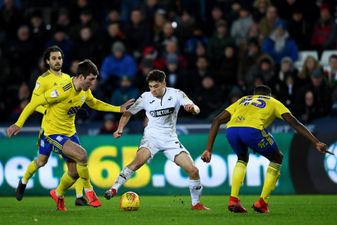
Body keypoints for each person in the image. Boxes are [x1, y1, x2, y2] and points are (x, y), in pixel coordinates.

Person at [7, 59, 134, 211]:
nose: (93, 83)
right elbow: (34, 102)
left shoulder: (85, 91)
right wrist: (18, 123)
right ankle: (89, 191)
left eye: (94, 79)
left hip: (70, 132)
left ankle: (58, 193)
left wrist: (118, 109)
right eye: (90, 79)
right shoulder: (62, 90)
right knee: (79, 156)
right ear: (81, 77)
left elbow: (94, 103)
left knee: (73, 173)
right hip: (52, 133)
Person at [201, 85, 329, 213]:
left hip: (231, 131)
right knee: (277, 157)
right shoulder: (273, 102)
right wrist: (316, 142)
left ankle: (233, 199)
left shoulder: (243, 100)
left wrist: (208, 149)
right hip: (252, 131)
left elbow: (216, 120)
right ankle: (262, 203)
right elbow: (293, 122)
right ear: (269, 95)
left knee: (242, 158)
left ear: (254, 94)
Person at [104, 69, 209, 210]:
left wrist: (193, 109)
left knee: (194, 171)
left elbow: (195, 108)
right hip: (151, 137)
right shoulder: (145, 97)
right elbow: (128, 113)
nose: (153, 90)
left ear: (164, 83)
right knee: (137, 162)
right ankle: (113, 189)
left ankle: (196, 204)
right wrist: (119, 129)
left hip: (170, 139)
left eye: (156, 86)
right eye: (150, 86)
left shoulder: (176, 94)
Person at [13, 45, 97, 206]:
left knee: (76, 158)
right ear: (47, 61)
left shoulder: (67, 78)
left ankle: (79, 195)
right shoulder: (43, 80)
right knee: (42, 161)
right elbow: (34, 103)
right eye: (54, 58)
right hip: (49, 128)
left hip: (66, 128)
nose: (57, 61)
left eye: (59, 58)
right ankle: (23, 181)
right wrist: (47, 111)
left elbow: (71, 99)